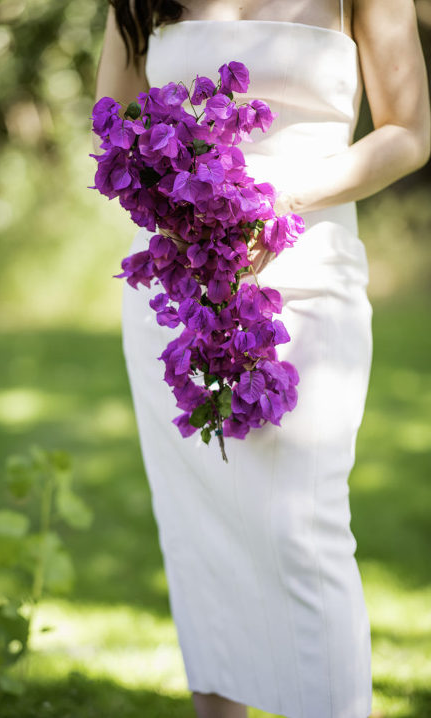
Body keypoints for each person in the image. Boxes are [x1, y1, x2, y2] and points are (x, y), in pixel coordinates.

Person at [94, 1, 430, 717]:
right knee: (200, 534)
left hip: (307, 271)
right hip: (178, 281)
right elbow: (112, 115)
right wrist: (179, 203)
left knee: (302, 531)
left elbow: (409, 131)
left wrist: (278, 199)